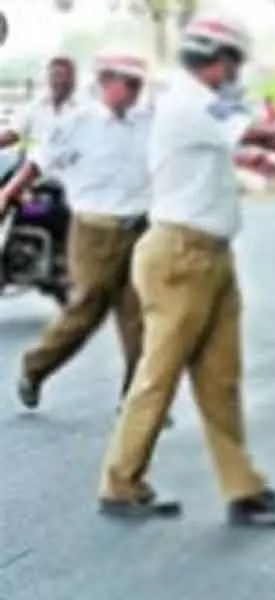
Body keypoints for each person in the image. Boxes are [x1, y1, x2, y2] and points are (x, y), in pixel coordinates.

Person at [97, 14, 275, 522]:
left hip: (208, 255)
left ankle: (242, 488)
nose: (235, 71)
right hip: (180, 256)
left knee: (220, 379)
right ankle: (120, 483)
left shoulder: (198, 103)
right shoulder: (194, 101)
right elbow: (268, 136)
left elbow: (235, 149)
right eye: (232, 61)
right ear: (216, 61)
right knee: (158, 376)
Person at [0, 50, 151, 414]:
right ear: (105, 84)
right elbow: (38, 160)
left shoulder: (149, 121)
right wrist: (7, 192)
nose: (132, 90)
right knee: (85, 309)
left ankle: (136, 399)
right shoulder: (79, 122)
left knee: (139, 315)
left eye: (137, 84)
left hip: (138, 227)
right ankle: (34, 368)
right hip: (94, 230)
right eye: (125, 83)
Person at [0, 56, 78, 150]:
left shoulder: (84, 110)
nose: (59, 81)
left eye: (64, 76)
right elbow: (12, 135)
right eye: (55, 76)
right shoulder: (34, 108)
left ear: (73, 80)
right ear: (48, 78)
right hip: (35, 164)